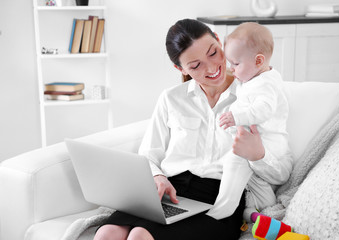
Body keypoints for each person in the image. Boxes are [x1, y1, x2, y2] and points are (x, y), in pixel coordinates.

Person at [94, 19, 292, 240]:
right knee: (106, 233)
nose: (211, 68)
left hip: (218, 200)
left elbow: (282, 173)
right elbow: (148, 154)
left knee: (140, 236)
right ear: (180, 68)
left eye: (213, 53)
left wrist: (257, 155)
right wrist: (158, 176)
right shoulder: (171, 99)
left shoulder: (255, 97)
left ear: (219, 41)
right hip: (170, 192)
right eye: (195, 65)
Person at [219, 22, 293, 223]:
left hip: (270, 151)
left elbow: (264, 110)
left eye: (235, 63)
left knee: (248, 175)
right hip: (257, 155)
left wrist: (237, 117)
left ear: (259, 60)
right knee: (251, 184)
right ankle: (252, 212)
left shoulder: (266, 83)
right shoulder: (254, 77)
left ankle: (265, 209)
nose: (231, 69)